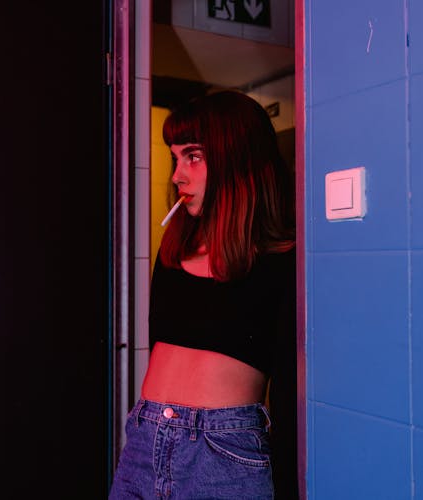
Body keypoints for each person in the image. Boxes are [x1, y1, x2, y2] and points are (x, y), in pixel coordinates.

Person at [109, 90, 297, 499]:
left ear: (236, 157)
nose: (178, 174)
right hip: (144, 440)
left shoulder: (282, 261)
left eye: (192, 156)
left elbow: (289, 390)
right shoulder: (174, 255)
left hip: (224, 453)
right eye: (176, 158)